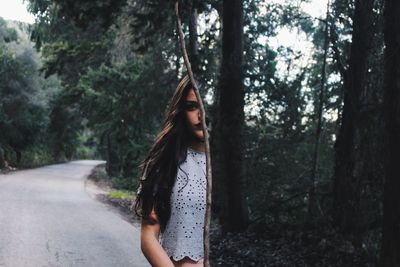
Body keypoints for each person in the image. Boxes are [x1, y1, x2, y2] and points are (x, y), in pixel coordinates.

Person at [134, 75, 207, 267]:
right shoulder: (165, 162)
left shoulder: (227, 166)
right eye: (192, 106)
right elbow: (149, 236)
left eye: (205, 106)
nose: (201, 115)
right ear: (181, 112)